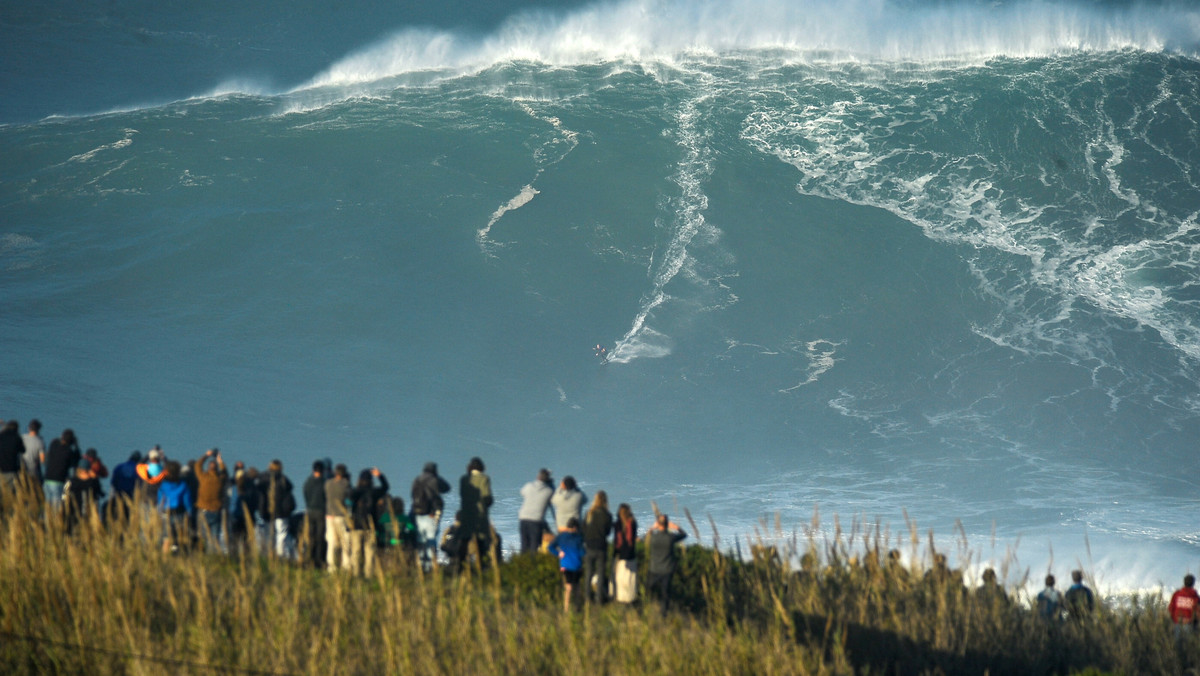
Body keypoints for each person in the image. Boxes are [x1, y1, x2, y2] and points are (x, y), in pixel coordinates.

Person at [411, 462, 452, 571]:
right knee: (431, 541)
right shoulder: (434, 480)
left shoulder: (417, 480)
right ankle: (429, 568)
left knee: (421, 541)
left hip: (418, 515)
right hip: (430, 515)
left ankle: (420, 566)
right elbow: (447, 488)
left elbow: (412, 495)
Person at [348, 468, 388, 577]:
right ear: (371, 480)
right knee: (369, 552)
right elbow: (385, 487)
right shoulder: (374, 492)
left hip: (356, 526)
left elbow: (347, 502)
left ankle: (356, 574)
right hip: (371, 526)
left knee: (356, 552)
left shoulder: (355, 492)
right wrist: (380, 475)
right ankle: (368, 575)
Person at [645, 512, 687, 615]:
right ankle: (663, 615)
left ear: (658, 524)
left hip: (654, 569)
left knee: (646, 590)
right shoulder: (671, 537)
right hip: (667, 570)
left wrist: (652, 528)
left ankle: (643, 609)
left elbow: (646, 538)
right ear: (667, 524)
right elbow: (684, 535)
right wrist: (676, 527)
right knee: (665, 595)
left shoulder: (653, 537)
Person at [457, 457, 494, 569]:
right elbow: (486, 497)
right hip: (480, 516)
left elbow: (462, 495)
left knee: (464, 540)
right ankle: (482, 566)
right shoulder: (484, 478)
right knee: (481, 541)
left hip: (466, 514)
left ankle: (461, 566)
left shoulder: (463, 479)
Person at [257, 460, 295, 558]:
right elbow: (289, 492)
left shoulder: (263, 478)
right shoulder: (283, 480)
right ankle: (280, 554)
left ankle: (269, 554)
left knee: (268, 534)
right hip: (281, 512)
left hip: (266, 511)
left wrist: (260, 510)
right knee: (281, 534)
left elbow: (260, 495)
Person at [548, 517, 586, 612]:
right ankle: (577, 608)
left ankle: (566, 609)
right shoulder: (578, 537)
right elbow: (582, 552)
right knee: (576, 587)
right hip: (577, 565)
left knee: (568, 587)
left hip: (566, 565)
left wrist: (558, 553)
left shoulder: (561, 536)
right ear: (575, 527)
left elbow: (550, 547)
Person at [194, 449, 228, 553]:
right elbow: (225, 473)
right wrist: (220, 461)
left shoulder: (203, 477)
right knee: (214, 537)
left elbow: (197, 466)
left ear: (208, 468)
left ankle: (201, 554)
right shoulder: (220, 479)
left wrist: (206, 455)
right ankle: (213, 555)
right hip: (216, 510)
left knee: (202, 536)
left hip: (203, 510)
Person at [583, 490, 613, 604]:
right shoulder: (607, 515)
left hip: (589, 546)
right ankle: (599, 599)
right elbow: (608, 532)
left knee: (589, 573)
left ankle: (587, 598)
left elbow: (584, 529)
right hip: (601, 546)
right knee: (600, 573)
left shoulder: (589, 513)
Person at [157, 461, 193, 553]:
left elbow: (160, 499)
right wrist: (189, 512)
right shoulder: (183, 485)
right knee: (178, 536)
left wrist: (159, 511)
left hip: (166, 512)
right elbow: (187, 500)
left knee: (166, 537)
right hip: (179, 512)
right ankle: (177, 553)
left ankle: (164, 558)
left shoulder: (163, 485)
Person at [41, 429, 80, 510]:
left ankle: (44, 521)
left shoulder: (54, 444)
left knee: (47, 506)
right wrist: (76, 445)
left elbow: (58, 440)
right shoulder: (69, 452)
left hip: (47, 479)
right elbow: (75, 462)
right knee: (56, 509)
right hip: (58, 482)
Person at [518, 468, 554, 554]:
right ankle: (532, 564)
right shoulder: (549, 491)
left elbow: (522, 492)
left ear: (538, 477)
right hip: (536, 521)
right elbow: (554, 499)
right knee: (534, 545)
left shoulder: (529, 486)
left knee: (524, 544)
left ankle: (522, 563)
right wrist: (551, 485)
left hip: (523, 518)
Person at [324, 464, 352, 572]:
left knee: (331, 542)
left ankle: (331, 566)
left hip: (329, 516)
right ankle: (346, 565)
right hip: (341, 516)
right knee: (345, 541)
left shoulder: (328, 484)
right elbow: (349, 499)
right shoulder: (346, 484)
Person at [302, 460, 328, 568]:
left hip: (310, 511)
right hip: (321, 512)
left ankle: (309, 558)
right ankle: (319, 560)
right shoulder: (324, 483)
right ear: (322, 471)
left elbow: (305, 494)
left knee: (310, 536)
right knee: (320, 536)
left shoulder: (308, 482)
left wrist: (309, 505)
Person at [612, 503, 639, 603]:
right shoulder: (632, 523)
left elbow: (617, 541)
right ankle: (630, 599)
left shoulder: (617, 525)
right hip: (630, 555)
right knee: (630, 580)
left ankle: (619, 599)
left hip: (619, 555)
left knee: (619, 578)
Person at [107, 451, 142, 522]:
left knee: (118, 515)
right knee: (129, 516)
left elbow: (113, 482)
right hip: (130, 496)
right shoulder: (138, 469)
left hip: (118, 494)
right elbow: (140, 485)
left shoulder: (119, 467)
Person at [0, 420, 23, 493]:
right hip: (11, 469)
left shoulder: (2, 437)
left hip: (1, 468)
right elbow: (23, 450)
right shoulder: (17, 438)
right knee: (11, 491)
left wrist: (4, 425)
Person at [20, 419, 44, 487]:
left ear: (29, 428)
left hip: (22, 467)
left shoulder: (22, 438)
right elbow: (42, 460)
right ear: (38, 430)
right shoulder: (40, 441)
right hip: (33, 469)